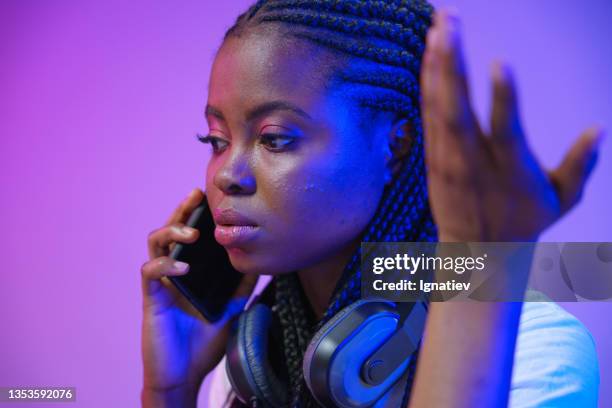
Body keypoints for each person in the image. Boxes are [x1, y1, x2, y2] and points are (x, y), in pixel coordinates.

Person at [140, 1, 602, 407]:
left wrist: (473, 252)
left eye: (275, 139)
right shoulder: (260, 364)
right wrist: (171, 392)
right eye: (216, 140)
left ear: (395, 147)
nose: (226, 175)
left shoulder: (534, 349)